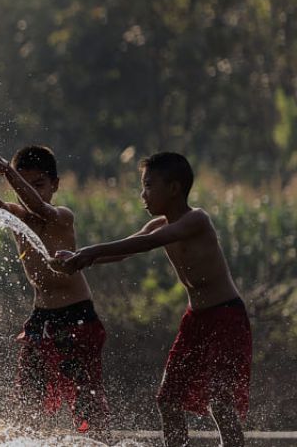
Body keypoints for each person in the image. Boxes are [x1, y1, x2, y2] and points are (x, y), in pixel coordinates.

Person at [54, 152, 250, 447]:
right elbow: (124, 251)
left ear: (173, 189)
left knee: (220, 400)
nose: (142, 194)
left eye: (148, 186)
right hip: (195, 320)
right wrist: (80, 258)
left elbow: (146, 245)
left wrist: (87, 253)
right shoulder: (158, 224)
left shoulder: (196, 219)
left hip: (226, 317)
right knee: (168, 400)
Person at [0, 147, 110, 436]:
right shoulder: (17, 216)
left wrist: (7, 170)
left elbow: (39, 208)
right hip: (41, 318)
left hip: (76, 316)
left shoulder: (61, 216)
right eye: (23, 184)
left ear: (55, 185)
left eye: (38, 185)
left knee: (85, 398)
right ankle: (30, 438)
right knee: (29, 395)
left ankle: (97, 440)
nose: (30, 192)